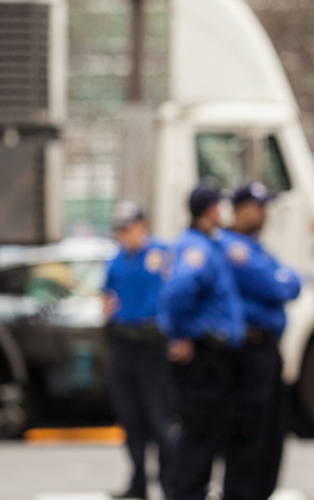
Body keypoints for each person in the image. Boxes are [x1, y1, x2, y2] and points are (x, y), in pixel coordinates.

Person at [158, 182, 246, 500]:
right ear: (210, 211)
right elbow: (178, 293)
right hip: (204, 359)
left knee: (204, 434)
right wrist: (183, 334)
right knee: (199, 436)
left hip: (209, 356)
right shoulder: (197, 249)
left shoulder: (202, 244)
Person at [218, 182, 301, 500]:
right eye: (259, 207)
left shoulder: (256, 248)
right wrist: (279, 279)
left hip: (267, 349)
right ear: (241, 209)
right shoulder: (231, 247)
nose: (265, 214)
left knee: (271, 434)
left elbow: (293, 281)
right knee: (249, 436)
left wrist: (281, 279)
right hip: (247, 353)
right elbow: (277, 286)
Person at [102, 200, 175, 500]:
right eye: (120, 229)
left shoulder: (162, 254)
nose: (124, 235)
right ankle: (138, 481)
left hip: (153, 343)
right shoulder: (116, 261)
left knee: (159, 417)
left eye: (128, 228)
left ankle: (171, 483)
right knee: (130, 418)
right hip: (123, 342)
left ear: (143, 225)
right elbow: (107, 297)